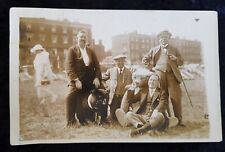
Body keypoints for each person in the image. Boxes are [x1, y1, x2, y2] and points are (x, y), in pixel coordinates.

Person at [142, 30, 184, 126]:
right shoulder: (154, 49)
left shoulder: (174, 49)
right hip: (159, 76)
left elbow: (181, 62)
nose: (163, 39)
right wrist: (151, 68)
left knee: (175, 97)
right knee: (161, 97)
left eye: (166, 37)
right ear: (159, 40)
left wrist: (176, 59)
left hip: (172, 76)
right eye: (161, 38)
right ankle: (164, 119)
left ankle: (179, 120)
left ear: (169, 39)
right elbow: (144, 59)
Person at [65, 30, 102, 126]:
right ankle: (71, 121)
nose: (83, 39)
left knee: (98, 94)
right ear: (76, 38)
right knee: (70, 97)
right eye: (81, 37)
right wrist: (76, 80)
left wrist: (97, 77)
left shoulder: (90, 51)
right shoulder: (72, 50)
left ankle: (89, 118)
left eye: (84, 37)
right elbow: (69, 66)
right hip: (78, 80)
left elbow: (97, 66)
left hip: (90, 80)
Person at [102, 54, 132, 122]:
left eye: (122, 61)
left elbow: (132, 84)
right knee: (112, 117)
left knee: (123, 116)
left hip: (124, 98)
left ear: (124, 61)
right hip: (114, 97)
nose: (120, 63)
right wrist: (107, 87)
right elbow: (102, 79)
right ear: (115, 62)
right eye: (118, 61)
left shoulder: (129, 72)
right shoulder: (111, 71)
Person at [30, 44, 58, 117]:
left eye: (37, 50)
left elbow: (46, 67)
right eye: (35, 51)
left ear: (40, 50)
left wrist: (45, 75)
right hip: (39, 76)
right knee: (40, 95)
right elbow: (37, 67)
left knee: (41, 88)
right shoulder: (37, 57)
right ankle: (45, 112)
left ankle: (53, 95)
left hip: (44, 76)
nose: (36, 52)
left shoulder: (44, 56)